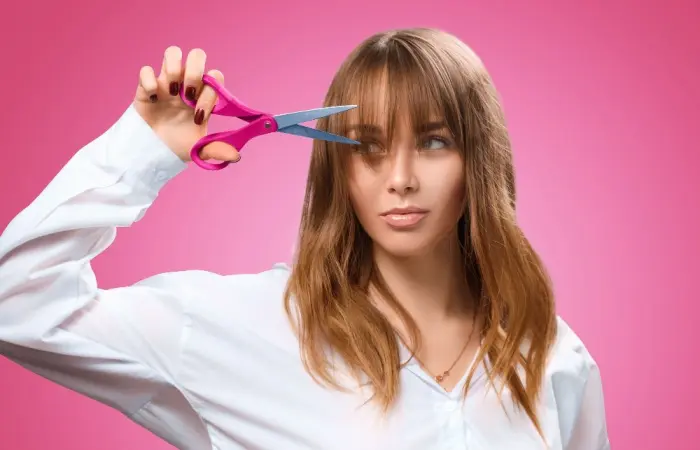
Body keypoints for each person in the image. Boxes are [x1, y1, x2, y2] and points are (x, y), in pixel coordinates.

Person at [0, 28, 609, 450]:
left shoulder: (553, 357)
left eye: (432, 142)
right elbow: (18, 305)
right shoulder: (248, 327)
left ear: (478, 160)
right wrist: (143, 151)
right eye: (368, 146)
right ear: (337, 167)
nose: (399, 180)